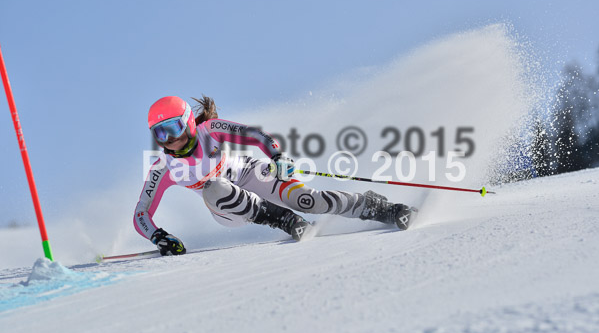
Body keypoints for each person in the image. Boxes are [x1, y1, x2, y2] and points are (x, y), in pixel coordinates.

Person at [134, 96, 417, 256]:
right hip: (226, 209)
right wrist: (159, 236)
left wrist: (277, 157)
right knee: (214, 187)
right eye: (159, 133)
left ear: (187, 123)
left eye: (172, 128)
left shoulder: (210, 129)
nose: (168, 139)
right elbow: (141, 214)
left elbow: (256, 136)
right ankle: (283, 220)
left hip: (250, 173)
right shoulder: (163, 167)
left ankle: (381, 208)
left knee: (308, 200)